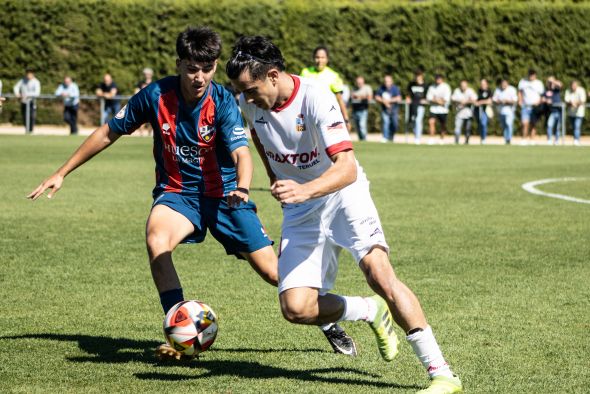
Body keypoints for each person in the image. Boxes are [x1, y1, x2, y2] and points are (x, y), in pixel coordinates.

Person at [28, 26, 353, 361]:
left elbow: (242, 153)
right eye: (192, 68)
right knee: (157, 241)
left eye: (208, 69)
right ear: (179, 64)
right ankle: (180, 335)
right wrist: (62, 172)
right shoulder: (155, 96)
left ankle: (327, 320)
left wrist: (242, 187)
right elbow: (109, 132)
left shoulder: (223, 102)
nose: (200, 77)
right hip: (178, 193)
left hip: (227, 196)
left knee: (276, 276)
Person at [226, 35, 462, 394]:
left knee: (379, 274)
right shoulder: (251, 104)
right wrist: (278, 180)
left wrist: (304, 188)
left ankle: (442, 373)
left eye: (250, 89)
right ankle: (369, 310)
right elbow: (261, 138)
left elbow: (347, 168)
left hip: (342, 194)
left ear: (273, 76)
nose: (245, 97)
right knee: (296, 308)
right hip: (301, 207)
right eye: (240, 91)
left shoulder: (316, 96)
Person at [300, 46, 350, 128]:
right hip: (307, 117)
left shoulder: (333, 76)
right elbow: (299, 98)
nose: (320, 60)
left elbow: (340, 99)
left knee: (328, 140)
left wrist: (346, 119)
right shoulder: (305, 73)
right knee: (302, 139)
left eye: (323, 57)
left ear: (327, 59)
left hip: (327, 119)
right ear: (313, 58)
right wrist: (299, 122)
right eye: (317, 57)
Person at [517, 69, 544, 145]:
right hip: (525, 106)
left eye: (532, 75)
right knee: (524, 123)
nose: (531, 76)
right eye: (530, 74)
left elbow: (542, 95)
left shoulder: (539, 83)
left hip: (535, 107)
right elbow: (520, 92)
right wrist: (520, 100)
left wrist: (538, 102)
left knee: (533, 123)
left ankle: (532, 139)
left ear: (535, 75)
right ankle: (524, 138)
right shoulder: (523, 82)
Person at [375, 74, 402, 143]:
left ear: (391, 82)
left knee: (394, 124)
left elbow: (399, 98)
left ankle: (391, 136)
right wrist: (384, 102)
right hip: (385, 109)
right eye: (386, 81)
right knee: (385, 123)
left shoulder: (395, 88)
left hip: (394, 109)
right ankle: (385, 137)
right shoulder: (381, 88)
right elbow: (377, 97)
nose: (387, 83)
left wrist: (388, 101)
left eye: (388, 81)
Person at [426, 74, 451, 144]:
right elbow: (429, 98)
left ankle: (442, 138)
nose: (438, 80)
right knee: (431, 122)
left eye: (439, 79)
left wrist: (436, 99)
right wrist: (438, 101)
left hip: (443, 110)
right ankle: (431, 138)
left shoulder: (446, 87)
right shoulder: (432, 87)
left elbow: (446, 100)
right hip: (433, 109)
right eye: (437, 79)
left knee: (442, 125)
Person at [493, 78, 518, 144]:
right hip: (501, 111)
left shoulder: (512, 89)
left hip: (510, 110)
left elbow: (515, 100)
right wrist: (500, 101)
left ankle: (509, 138)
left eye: (505, 83)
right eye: (502, 84)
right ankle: (506, 139)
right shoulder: (498, 90)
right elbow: (494, 99)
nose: (503, 85)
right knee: (504, 125)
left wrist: (507, 101)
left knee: (508, 123)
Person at [451, 80, 477, 144]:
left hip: (468, 114)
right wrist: (460, 101)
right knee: (457, 128)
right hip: (459, 113)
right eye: (462, 86)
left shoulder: (470, 91)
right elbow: (452, 99)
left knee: (467, 129)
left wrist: (466, 102)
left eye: (464, 86)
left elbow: (474, 100)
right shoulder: (457, 91)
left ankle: (466, 142)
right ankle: (456, 142)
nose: (463, 87)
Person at [406, 69, 428, 144]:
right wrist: (408, 98)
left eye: (418, 75)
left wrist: (425, 100)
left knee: (418, 120)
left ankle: (417, 138)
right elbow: (408, 94)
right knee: (412, 121)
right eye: (416, 75)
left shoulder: (425, 85)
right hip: (412, 106)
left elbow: (428, 96)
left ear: (422, 76)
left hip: (421, 106)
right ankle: (416, 135)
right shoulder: (411, 84)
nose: (417, 77)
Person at [350, 75, 373, 141]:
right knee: (357, 127)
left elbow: (369, 97)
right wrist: (361, 97)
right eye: (358, 83)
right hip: (355, 110)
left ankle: (364, 139)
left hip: (363, 110)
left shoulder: (367, 88)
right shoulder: (354, 88)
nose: (359, 84)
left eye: (360, 83)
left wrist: (359, 97)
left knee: (362, 126)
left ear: (363, 82)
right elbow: (352, 96)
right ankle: (361, 140)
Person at [564, 80, 586, 146]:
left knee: (577, 126)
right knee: (574, 127)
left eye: (575, 86)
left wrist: (576, 103)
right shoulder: (568, 91)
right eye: (572, 86)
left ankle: (576, 140)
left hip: (579, 113)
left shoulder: (581, 90)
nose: (574, 87)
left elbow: (583, 100)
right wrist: (571, 102)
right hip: (571, 113)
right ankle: (575, 139)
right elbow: (566, 100)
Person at [134, 67, 155, 137]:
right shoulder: (140, 83)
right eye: (146, 74)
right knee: (141, 120)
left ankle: (150, 133)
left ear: (151, 74)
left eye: (148, 74)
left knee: (153, 120)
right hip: (142, 104)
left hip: (152, 104)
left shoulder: (154, 83)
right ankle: (141, 134)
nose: (147, 75)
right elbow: (136, 92)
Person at [542, 76, 563, 145]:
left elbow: (560, 85)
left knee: (558, 127)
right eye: (549, 82)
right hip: (552, 112)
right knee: (549, 125)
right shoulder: (546, 91)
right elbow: (542, 98)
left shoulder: (556, 89)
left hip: (559, 111)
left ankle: (556, 140)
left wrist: (553, 81)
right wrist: (546, 100)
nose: (550, 83)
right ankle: (549, 140)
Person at [475, 79, 493, 145]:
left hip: (486, 111)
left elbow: (489, 101)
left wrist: (481, 102)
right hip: (478, 111)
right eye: (481, 84)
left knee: (483, 124)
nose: (482, 85)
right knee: (480, 125)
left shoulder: (489, 91)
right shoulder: (478, 91)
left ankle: (483, 138)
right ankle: (482, 137)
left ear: (487, 84)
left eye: (484, 84)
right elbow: (475, 101)